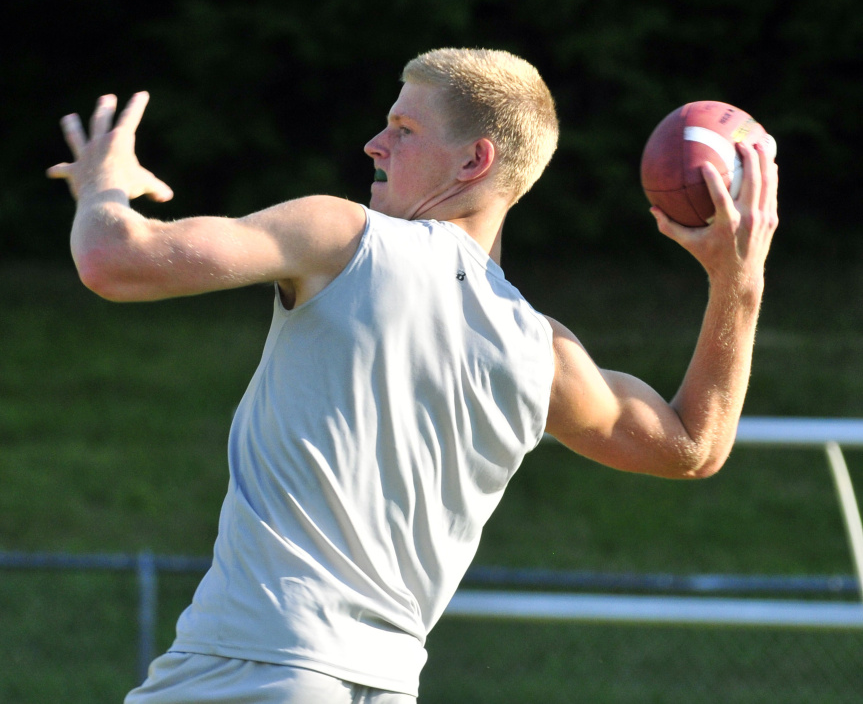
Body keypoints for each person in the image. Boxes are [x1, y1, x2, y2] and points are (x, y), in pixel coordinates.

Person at [47, 48, 778, 703]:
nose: (374, 142)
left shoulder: (344, 237)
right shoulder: (542, 352)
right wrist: (737, 284)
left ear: (473, 162)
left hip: (253, 666)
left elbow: (115, 260)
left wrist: (102, 184)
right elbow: (692, 445)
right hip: (386, 687)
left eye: (402, 127)